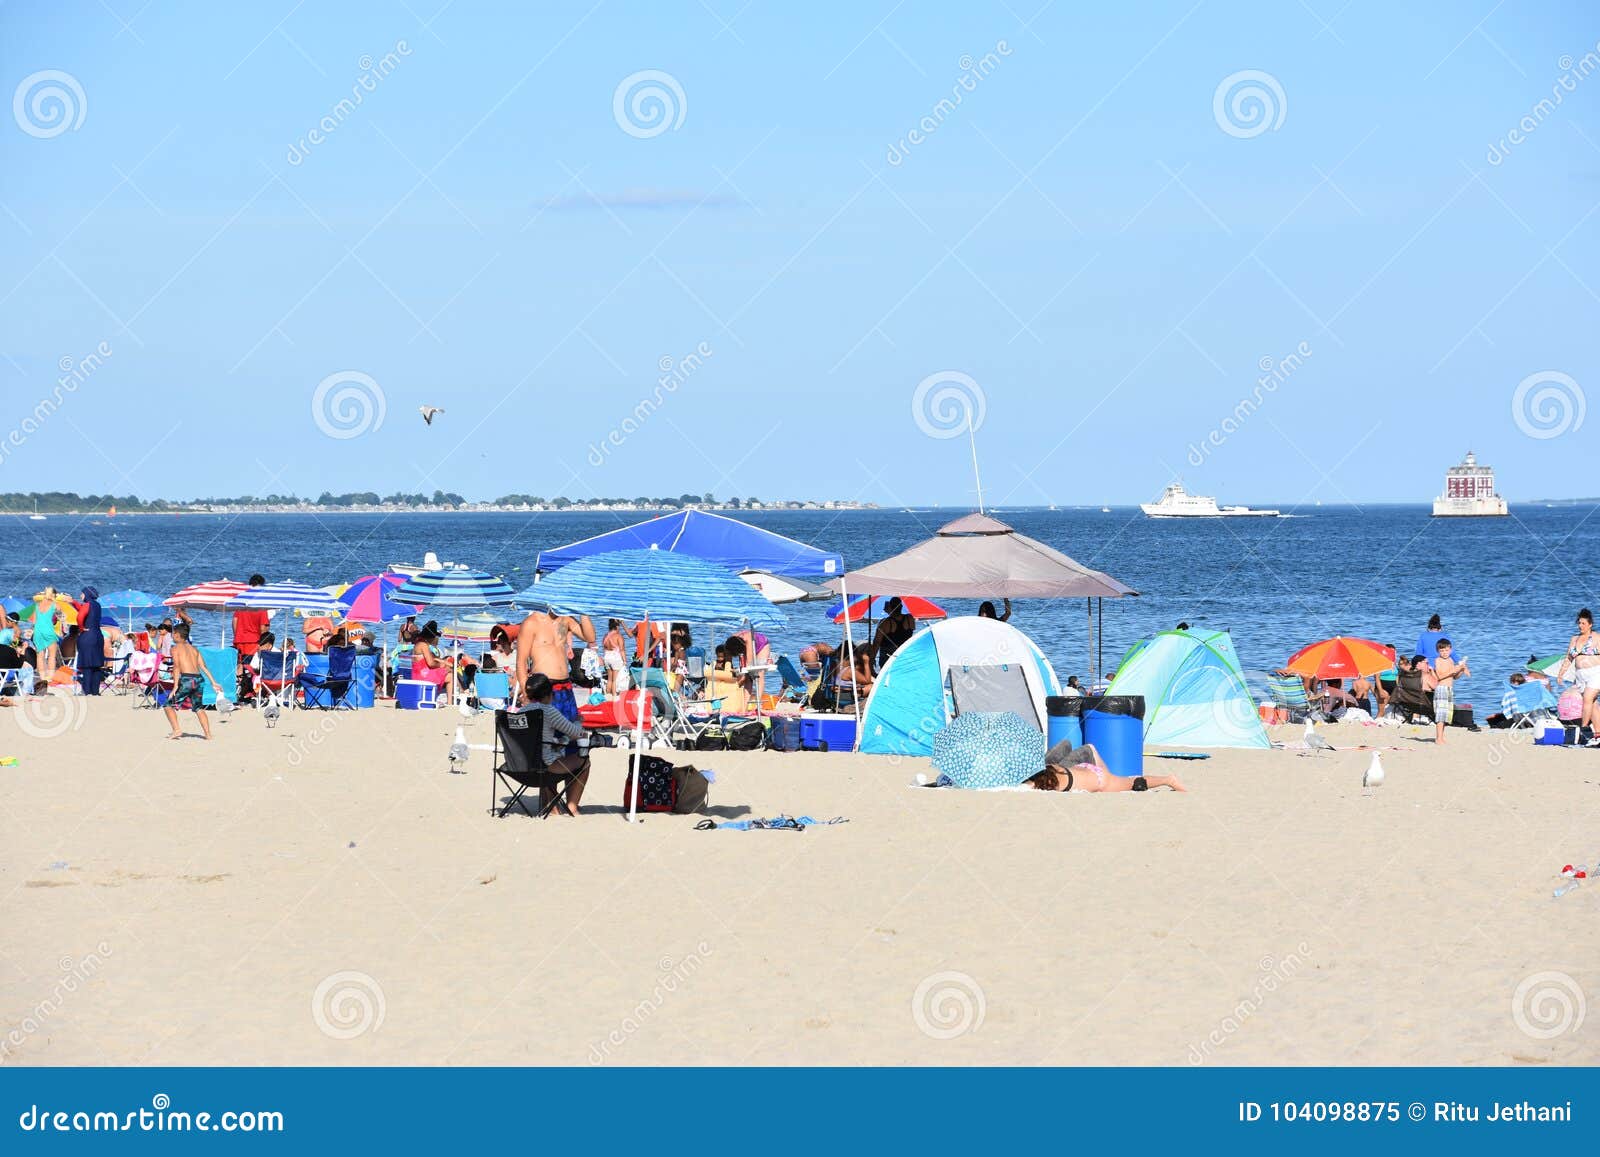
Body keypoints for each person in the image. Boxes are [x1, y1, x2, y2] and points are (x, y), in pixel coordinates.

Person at [520, 673, 591, 816]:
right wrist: (578, 721)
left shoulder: (521, 712)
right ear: (548, 694)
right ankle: (571, 806)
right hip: (545, 767)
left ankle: (550, 805)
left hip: (520, 766)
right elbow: (575, 732)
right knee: (584, 762)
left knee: (549, 754)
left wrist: (556, 741)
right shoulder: (548, 711)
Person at [512, 607, 595, 723]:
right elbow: (521, 661)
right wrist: (527, 693)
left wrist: (582, 610)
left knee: (569, 729)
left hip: (565, 685)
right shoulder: (531, 623)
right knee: (546, 731)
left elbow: (590, 638)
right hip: (543, 686)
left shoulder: (566, 619)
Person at [1027, 742, 1187, 792]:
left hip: (1100, 781)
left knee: (1135, 783)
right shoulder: (1054, 767)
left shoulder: (1048, 786)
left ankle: (1169, 780)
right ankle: (1169, 779)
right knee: (1132, 782)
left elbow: (1029, 785)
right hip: (1089, 769)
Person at [163, 622, 224, 740]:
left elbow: (176, 666)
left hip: (187, 679)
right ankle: (208, 734)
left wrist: (175, 685)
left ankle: (176, 730)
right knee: (198, 708)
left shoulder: (175, 649)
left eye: (172, 634)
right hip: (198, 679)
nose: (172, 636)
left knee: (167, 705)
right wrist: (213, 682)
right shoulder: (194, 649)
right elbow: (203, 667)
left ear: (176, 635)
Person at [1558, 608, 1600, 732]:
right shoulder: (1574, 639)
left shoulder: (1597, 637)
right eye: (1579, 623)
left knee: (1587, 699)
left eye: (1583, 623)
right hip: (1580, 675)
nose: (1580, 626)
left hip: (1596, 672)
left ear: (1590, 624)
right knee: (1592, 705)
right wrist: (1561, 673)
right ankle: (1598, 735)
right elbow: (1568, 658)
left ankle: (1584, 730)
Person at [1432, 638, 1470, 744]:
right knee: (1440, 714)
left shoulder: (1450, 660)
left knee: (1445, 715)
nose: (1444, 653)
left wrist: (1461, 669)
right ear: (1438, 651)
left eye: (1446, 650)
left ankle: (1441, 737)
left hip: (1449, 689)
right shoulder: (1438, 660)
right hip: (1441, 689)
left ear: (1450, 650)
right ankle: (1438, 738)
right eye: (1442, 651)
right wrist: (1454, 669)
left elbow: (1455, 677)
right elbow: (1440, 675)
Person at [231, 574, 270, 669]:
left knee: (240, 668)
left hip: (239, 641)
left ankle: (240, 683)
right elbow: (263, 629)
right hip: (254, 643)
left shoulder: (242, 603)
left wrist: (238, 636)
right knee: (252, 670)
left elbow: (234, 622)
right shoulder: (261, 606)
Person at [76, 586, 107, 696]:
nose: (81, 595)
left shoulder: (87, 604)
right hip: (98, 636)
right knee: (96, 665)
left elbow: (80, 617)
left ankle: (86, 690)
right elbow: (83, 610)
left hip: (88, 636)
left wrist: (81, 627)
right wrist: (73, 602)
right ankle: (95, 691)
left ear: (86, 594)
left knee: (87, 664)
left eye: (82, 593)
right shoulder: (97, 605)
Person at [30, 588, 62, 684]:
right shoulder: (55, 605)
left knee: (40, 656)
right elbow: (61, 618)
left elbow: (34, 620)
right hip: (49, 631)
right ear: (53, 595)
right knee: (52, 656)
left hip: (38, 632)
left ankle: (43, 677)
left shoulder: (37, 605)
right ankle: (50, 677)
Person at [873, 597, 916, 668]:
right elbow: (910, 630)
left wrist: (872, 658)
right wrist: (890, 611)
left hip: (888, 657)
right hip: (904, 655)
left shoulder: (884, 623)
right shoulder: (909, 618)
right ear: (901, 607)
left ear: (889, 607)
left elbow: (877, 642)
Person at [409, 628, 452, 693]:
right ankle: (450, 702)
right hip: (423, 676)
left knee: (447, 669)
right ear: (431, 637)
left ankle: (438, 693)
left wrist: (443, 662)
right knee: (450, 676)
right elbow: (431, 664)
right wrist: (441, 665)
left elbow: (432, 658)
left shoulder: (418, 644)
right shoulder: (424, 645)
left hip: (417, 675)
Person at [602, 619, 629, 698]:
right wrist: (624, 660)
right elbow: (622, 650)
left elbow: (604, 648)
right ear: (617, 626)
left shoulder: (605, 636)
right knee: (615, 680)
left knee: (609, 679)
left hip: (607, 657)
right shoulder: (618, 636)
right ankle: (614, 697)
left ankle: (607, 696)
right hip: (615, 658)